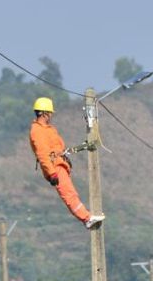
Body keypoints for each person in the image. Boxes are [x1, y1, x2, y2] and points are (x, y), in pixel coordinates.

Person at [29, 97, 105, 229]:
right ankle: (87, 219)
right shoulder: (37, 131)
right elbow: (42, 154)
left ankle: (87, 217)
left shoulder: (47, 129)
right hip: (55, 167)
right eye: (50, 113)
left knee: (71, 193)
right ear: (45, 113)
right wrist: (51, 173)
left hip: (60, 163)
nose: (52, 115)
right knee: (69, 194)